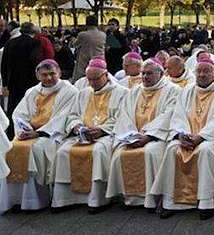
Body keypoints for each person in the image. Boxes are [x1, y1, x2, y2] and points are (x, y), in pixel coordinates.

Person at [151, 56, 214, 220]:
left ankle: (206, 203)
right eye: (199, 71)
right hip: (187, 136)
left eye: (206, 71)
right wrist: (181, 134)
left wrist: (201, 137)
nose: (202, 75)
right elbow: (179, 114)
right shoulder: (187, 90)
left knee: (205, 151)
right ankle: (171, 202)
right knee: (172, 149)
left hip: (212, 139)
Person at [0, 60, 78, 213]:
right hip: (29, 133)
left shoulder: (70, 91)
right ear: (37, 75)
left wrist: (38, 132)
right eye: (44, 74)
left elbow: (63, 117)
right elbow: (19, 114)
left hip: (52, 135)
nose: (49, 78)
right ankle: (14, 199)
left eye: (52, 74)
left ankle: (34, 201)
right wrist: (24, 129)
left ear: (59, 73)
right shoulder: (32, 92)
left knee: (35, 150)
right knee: (11, 148)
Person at [51, 58, 127, 213]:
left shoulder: (122, 93)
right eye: (89, 79)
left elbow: (122, 118)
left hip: (107, 135)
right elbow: (73, 115)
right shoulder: (83, 93)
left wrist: (102, 130)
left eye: (96, 79)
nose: (92, 83)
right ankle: (64, 200)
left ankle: (97, 200)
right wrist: (78, 127)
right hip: (82, 135)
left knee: (97, 152)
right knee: (63, 152)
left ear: (106, 75)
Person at [106, 57, 180, 210]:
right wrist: (131, 136)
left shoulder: (173, 90)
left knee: (149, 153)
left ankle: (152, 198)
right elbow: (124, 114)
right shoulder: (134, 92)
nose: (145, 77)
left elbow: (169, 114)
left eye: (149, 74)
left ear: (160, 74)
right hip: (134, 136)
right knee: (120, 154)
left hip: (157, 137)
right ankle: (130, 198)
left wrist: (148, 136)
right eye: (143, 73)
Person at [1, 22, 42, 139]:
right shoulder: (34, 43)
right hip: (30, 81)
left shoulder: (10, 42)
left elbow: (3, 65)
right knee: (29, 108)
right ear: (33, 32)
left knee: (13, 108)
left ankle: (11, 134)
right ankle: (27, 131)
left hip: (12, 82)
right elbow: (35, 62)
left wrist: (5, 83)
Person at [73, 16, 107, 81]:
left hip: (85, 60)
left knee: (83, 80)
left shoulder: (83, 35)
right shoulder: (103, 35)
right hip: (99, 60)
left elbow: (75, 44)